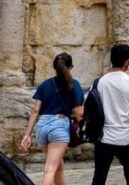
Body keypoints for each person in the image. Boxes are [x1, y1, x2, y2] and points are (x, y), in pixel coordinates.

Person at [21, 52, 85, 185]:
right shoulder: (74, 84)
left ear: (55, 67)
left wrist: (27, 135)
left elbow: (35, 111)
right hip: (59, 126)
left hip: (42, 126)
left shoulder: (45, 85)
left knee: (58, 166)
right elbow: (78, 110)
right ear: (70, 67)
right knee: (50, 170)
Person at [89, 44, 129, 185]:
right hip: (124, 137)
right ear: (127, 61)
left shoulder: (99, 83)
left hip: (104, 138)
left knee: (99, 177)